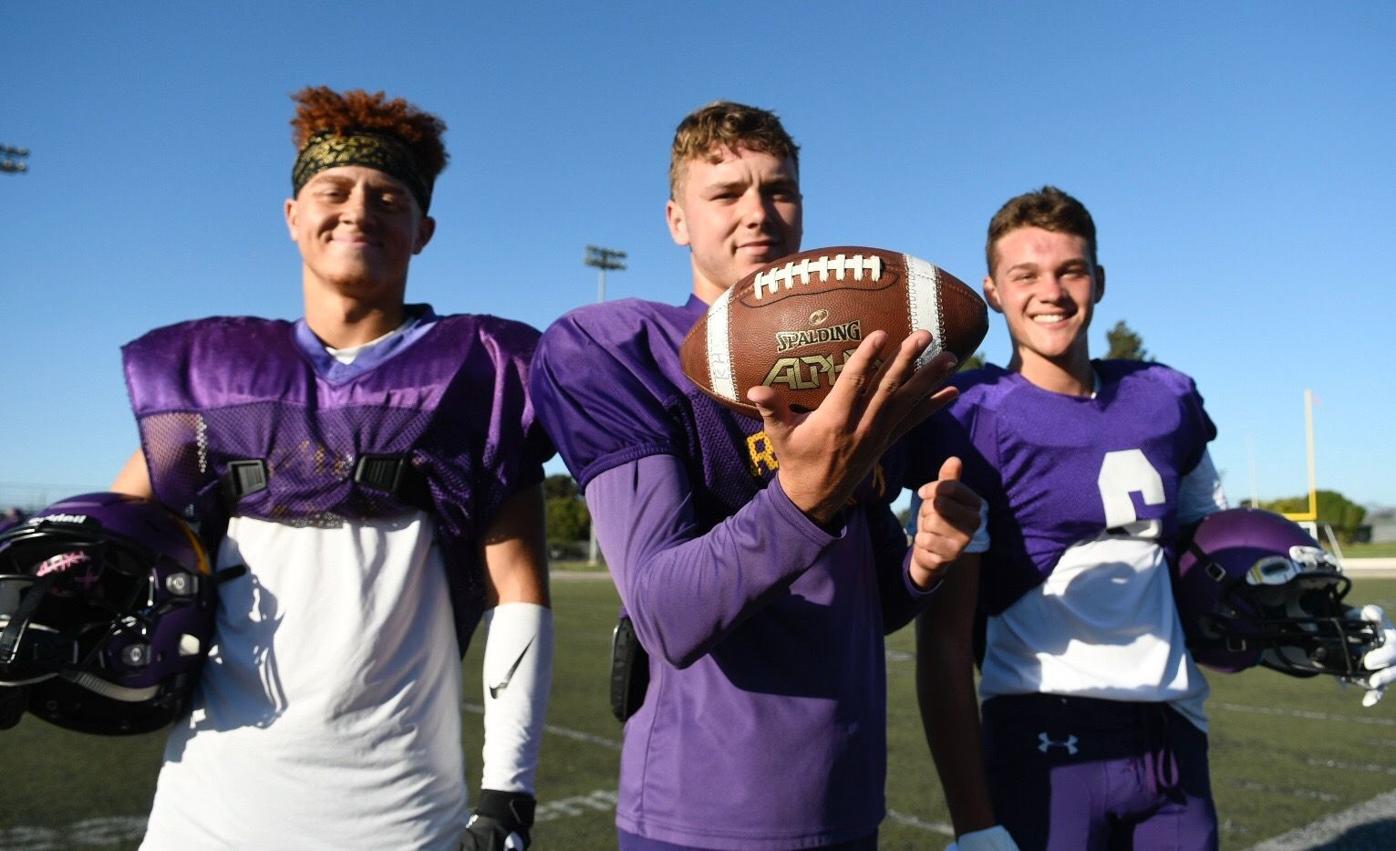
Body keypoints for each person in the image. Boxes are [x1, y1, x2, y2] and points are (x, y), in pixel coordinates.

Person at [529, 100, 982, 850]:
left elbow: (865, 604)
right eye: (726, 193)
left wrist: (920, 566)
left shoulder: (866, 358)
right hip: (700, 810)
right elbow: (665, 615)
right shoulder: (621, 349)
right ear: (677, 219)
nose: (759, 214)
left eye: (779, 189)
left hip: (846, 793)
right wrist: (804, 493)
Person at [111, 86, 554, 851]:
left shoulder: (478, 373)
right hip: (208, 809)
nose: (358, 210)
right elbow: (112, 528)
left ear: (424, 230)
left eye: (388, 197)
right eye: (334, 190)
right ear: (292, 217)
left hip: (402, 814)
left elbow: (520, 591)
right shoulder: (215, 378)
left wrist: (507, 791)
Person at [909, 186, 1396, 851]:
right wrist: (972, 822)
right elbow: (944, 639)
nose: (1050, 291)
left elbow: (1213, 544)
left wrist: (1311, 623)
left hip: (1174, 729)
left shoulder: (1163, 397)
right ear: (993, 291)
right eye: (1026, 275)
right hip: (1043, 733)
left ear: (1099, 280)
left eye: (1070, 270)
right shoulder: (972, 415)